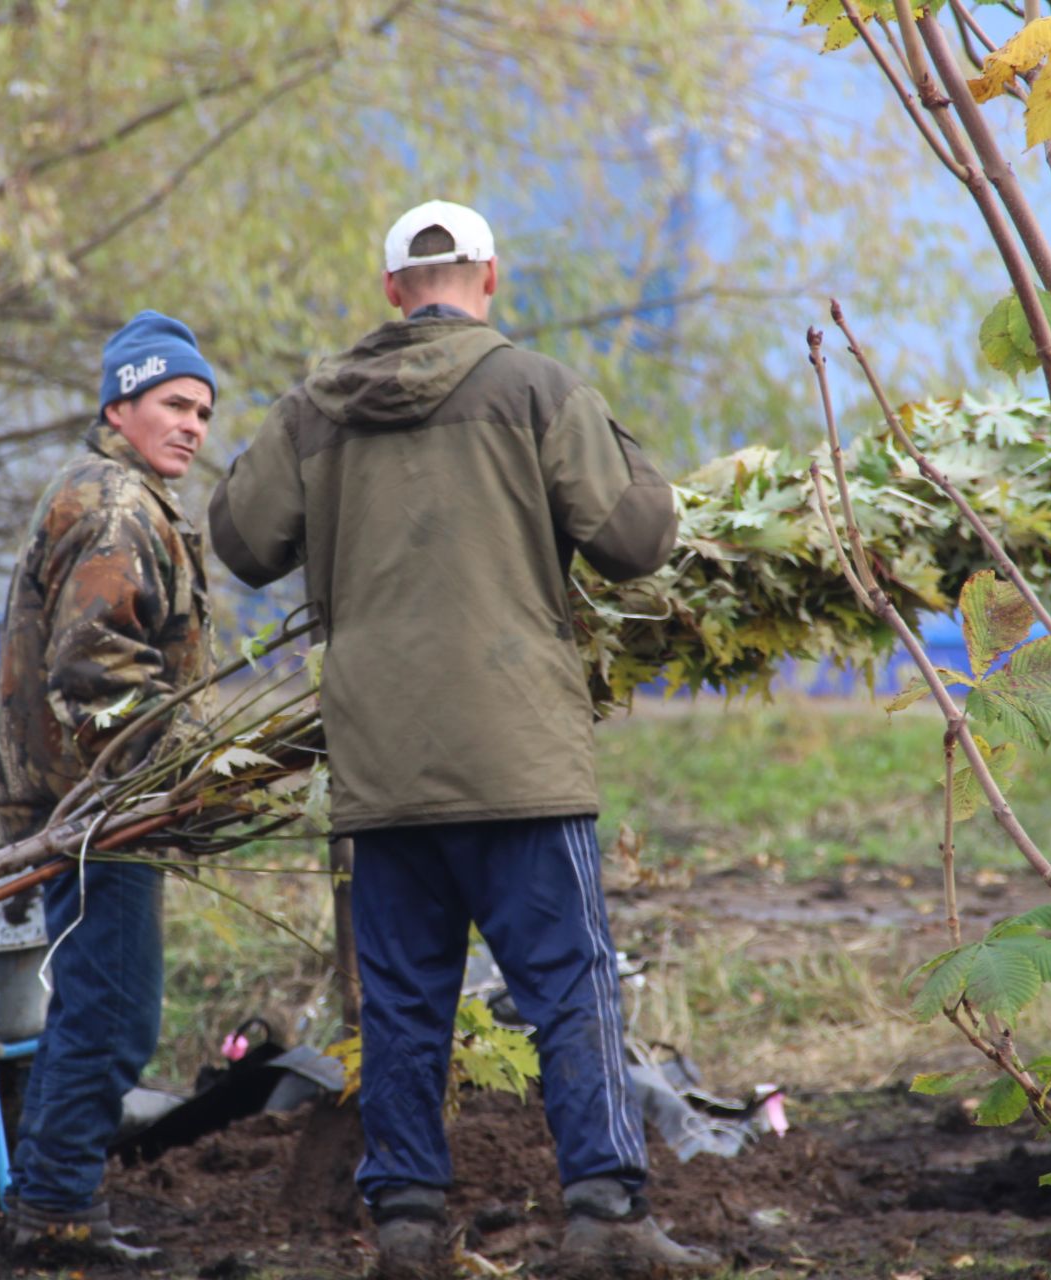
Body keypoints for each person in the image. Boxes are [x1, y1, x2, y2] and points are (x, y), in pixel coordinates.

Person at [208, 202, 714, 1277]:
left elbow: (241, 542)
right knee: (570, 985)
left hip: (382, 766)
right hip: (519, 759)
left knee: (399, 1003)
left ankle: (403, 1229)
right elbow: (636, 538)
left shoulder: (313, 406)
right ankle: (608, 1217)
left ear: (393, 290)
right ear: (487, 277)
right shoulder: (536, 387)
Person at [0, 309, 215, 1263]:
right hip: (102, 811)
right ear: (120, 403)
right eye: (173, 402)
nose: (194, 425)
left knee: (98, 1007)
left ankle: (51, 1201)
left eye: (204, 410)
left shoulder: (114, 494)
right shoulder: (119, 509)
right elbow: (94, 671)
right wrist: (187, 771)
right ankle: (54, 1215)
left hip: (97, 803)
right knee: (112, 1015)